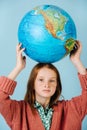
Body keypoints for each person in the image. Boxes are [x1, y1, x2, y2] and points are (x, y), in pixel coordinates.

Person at [0, 41, 87, 130]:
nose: (46, 85)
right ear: (32, 83)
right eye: (41, 80)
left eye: (52, 81)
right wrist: (18, 67)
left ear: (57, 85)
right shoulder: (17, 111)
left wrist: (77, 62)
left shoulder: (72, 109)